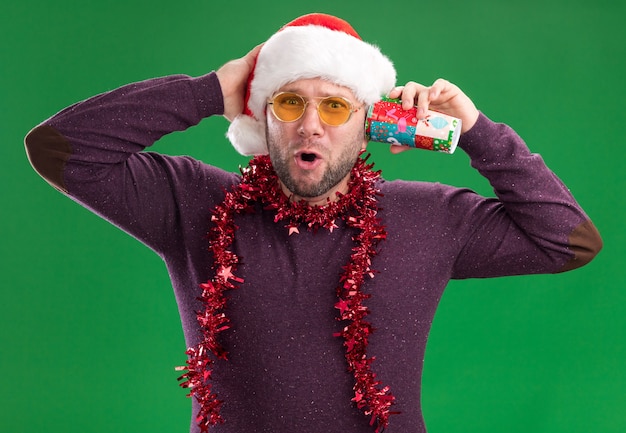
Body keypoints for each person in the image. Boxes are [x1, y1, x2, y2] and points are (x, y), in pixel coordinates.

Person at [24, 12, 602, 433]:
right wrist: (211, 90)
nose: (310, 126)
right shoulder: (195, 203)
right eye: (289, 102)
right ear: (261, 118)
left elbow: (568, 241)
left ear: (370, 124)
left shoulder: (429, 216)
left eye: (334, 106)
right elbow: (57, 148)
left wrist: (477, 130)